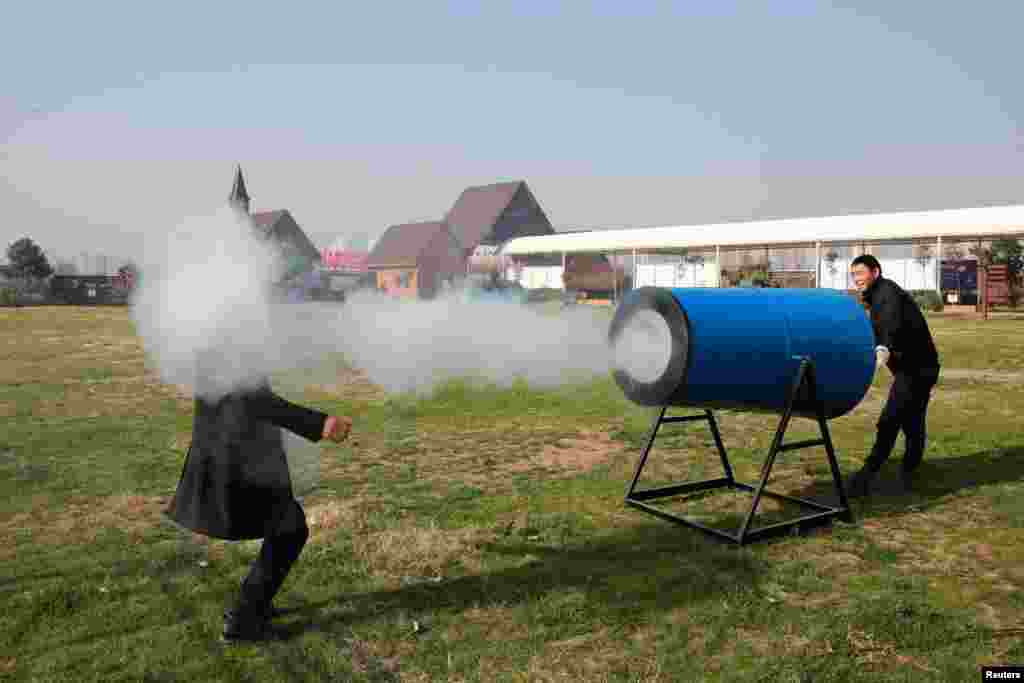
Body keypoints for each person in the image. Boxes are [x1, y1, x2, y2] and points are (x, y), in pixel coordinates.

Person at [165, 371, 352, 643]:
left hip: (235, 450)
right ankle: (244, 619)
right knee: (290, 528)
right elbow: (254, 400)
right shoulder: (230, 336)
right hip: (236, 457)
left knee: (288, 527)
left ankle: (251, 607)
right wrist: (322, 423)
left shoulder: (218, 331)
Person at [846, 254, 941, 498]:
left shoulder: (887, 295)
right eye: (853, 274)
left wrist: (883, 347)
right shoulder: (876, 295)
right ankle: (911, 469)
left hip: (917, 369)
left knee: (889, 420)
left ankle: (865, 476)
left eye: (860, 273)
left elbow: (891, 324)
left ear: (875, 272)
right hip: (918, 367)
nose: (856, 279)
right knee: (912, 419)